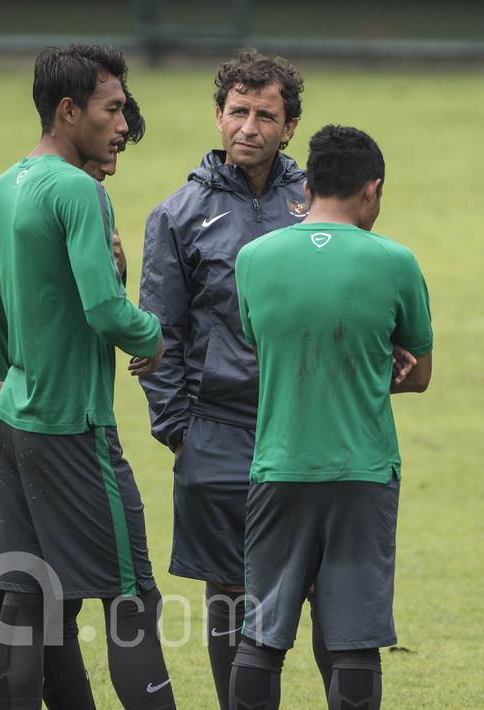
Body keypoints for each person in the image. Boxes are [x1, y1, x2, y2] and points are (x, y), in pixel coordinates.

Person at [0, 44, 174, 710]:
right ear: (68, 111)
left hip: (12, 417)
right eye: (112, 108)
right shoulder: (78, 189)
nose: (123, 123)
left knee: (21, 600)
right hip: (73, 423)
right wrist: (152, 335)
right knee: (132, 600)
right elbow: (104, 310)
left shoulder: (10, 183)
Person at [136, 49, 336, 708]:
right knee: (230, 593)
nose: (249, 127)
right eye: (238, 111)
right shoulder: (177, 215)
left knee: (326, 588)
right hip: (217, 430)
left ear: (290, 126)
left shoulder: (319, 203)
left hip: (309, 425)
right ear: (218, 115)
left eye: (265, 116)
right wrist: (179, 433)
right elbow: (159, 333)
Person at [228, 125, 433, 710]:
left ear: (307, 187)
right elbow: (419, 373)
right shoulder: (396, 261)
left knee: (262, 636)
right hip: (362, 473)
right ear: (372, 189)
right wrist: (373, 364)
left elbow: (266, 352)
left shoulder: (253, 258)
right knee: (355, 642)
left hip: (278, 469)